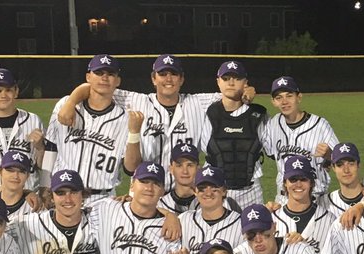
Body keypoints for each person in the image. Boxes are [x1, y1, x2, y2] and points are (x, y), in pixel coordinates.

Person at [55, 54, 235, 190]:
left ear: (181, 79)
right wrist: (71, 102)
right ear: (153, 78)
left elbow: (231, 95)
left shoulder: (198, 103)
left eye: (173, 74)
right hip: (147, 191)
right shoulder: (136, 101)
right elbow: (95, 87)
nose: (168, 79)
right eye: (162, 74)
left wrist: (247, 92)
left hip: (185, 192)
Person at [43, 55, 130, 202]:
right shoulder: (65, 105)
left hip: (103, 197)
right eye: (99, 73)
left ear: (118, 81)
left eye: (110, 74)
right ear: (88, 77)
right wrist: (44, 186)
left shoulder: (125, 118)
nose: (104, 78)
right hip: (64, 194)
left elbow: (130, 166)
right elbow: (51, 147)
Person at [260, 76, 339, 203]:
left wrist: (329, 155)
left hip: (315, 198)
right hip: (283, 199)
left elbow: (340, 159)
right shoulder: (272, 124)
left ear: (299, 97)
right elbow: (269, 152)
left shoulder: (320, 124)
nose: (284, 101)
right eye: (279, 98)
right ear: (273, 102)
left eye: (289, 95)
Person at [203, 60, 269, 208]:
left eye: (237, 78)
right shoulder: (205, 110)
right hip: (215, 190)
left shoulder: (259, 114)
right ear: (218, 82)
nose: (231, 83)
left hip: (251, 191)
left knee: (254, 231)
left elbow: (274, 149)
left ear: (245, 82)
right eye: (226, 79)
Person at [270, 156, 336, 253]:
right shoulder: (272, 219)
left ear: (311, 183)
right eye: (293, 179)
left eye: (303, 179)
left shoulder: (329, 220)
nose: (298, 184)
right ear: (285, 183)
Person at [322, 142, 364, 219]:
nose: (346, 170)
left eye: (351, 163)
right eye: (340, 165)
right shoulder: (324, 203)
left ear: (358, 165)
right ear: (333, 168)